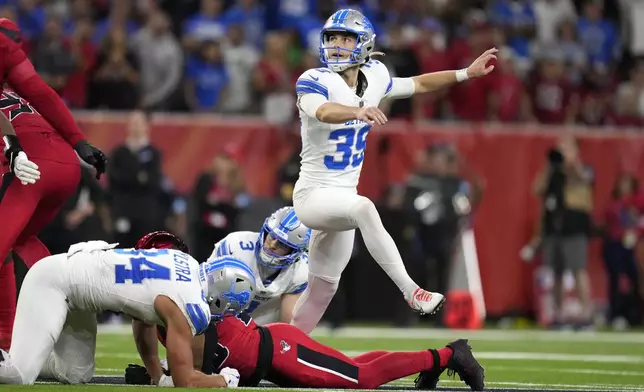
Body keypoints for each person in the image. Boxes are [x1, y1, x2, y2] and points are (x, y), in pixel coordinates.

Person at [290, 8, 497, 333]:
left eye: (346, 38)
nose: (337, 45)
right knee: (364, 207)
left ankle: (281, 350)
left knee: (323, 290)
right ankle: (411, 291)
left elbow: (417, 83)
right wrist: (357, 111)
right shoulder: (316, 80)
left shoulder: (375, 76)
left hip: (342, 199)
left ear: (365, 44)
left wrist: (465, 74)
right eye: (332, 38)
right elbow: (325, 111)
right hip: (313, 196)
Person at [0, 231, 250, 388]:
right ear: (222, 300)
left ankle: (26, 351)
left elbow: (142, 316)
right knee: (19, 376)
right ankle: (19, 358)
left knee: (76, 374)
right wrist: (224, 380)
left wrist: (157, 375)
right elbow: (185, 381)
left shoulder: (186, 261)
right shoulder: (190, 303)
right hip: (53, 282)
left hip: (74, 285)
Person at [0, 17, 107, 349]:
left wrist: (12, 148)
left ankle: (6, 339)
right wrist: (80, 143)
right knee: (22, 240)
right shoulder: (15, 87)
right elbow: (42, 92)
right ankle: (69, 309)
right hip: (64, 165)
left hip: (29, 165)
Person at [128, 295, 485, 390]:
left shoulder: (183, 311)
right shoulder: (167, 314)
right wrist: (154, 373)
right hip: (277, 353)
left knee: (362, 378)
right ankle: (436, 360)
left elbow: (190, 376)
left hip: (281, 352)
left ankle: (450, 354)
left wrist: (157, 375)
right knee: (356, 366)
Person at [209, 206, 310, 324]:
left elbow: (288, 326)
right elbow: (206, 290)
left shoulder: (301, 270)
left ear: (295, 252)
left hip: (261, 335)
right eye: (272, 236)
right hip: (218, 324)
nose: (272, 245)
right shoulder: (235, 247)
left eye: (282, 244)